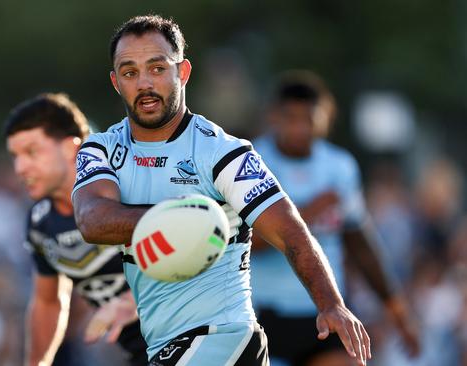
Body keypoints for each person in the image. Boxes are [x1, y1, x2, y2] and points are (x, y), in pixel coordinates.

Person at [72, 15, 371, 366]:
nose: (144, 84)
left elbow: (289, 229)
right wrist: (176, 221)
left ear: (182, 72)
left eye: (157, 68)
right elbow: (92, 219)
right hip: (164, 344)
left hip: (224, 338)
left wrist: (331, 303)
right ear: (115, 82)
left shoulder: (223, 152)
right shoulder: (100, 149)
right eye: (130, 72)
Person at [250, 71, 420, 366]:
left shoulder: (339, 167)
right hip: (266, 313)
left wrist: (397, 310)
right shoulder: (251, 161)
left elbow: (360, 243)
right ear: (274, 117)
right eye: (291, 118)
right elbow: (247, 243)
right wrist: (307, 213)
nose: (300, 128)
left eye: (309, 118)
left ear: (325, 118)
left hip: (326, 309)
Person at [4, 93, 148, 366]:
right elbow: (48, 302)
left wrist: (137, 298)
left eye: (32, 152)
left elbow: (201, 238)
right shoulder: (40, 222)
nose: (20, 167)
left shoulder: (127, 182)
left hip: (197, 338)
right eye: (15, 156)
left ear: (72, 148)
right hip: (142, 353)